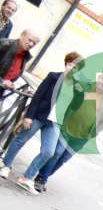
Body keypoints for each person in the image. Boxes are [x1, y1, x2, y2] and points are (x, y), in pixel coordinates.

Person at [0, 51, 81, 189]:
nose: (72, 68)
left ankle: (26, 178)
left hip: (55, 123)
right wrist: (29, 116)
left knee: (49, 152)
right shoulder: (53, 77)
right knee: (20, 140)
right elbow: (38, 96)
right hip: (39, 115)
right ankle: (5, 165)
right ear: (66, 64)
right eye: (71, 64)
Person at [28, 68, 103, 193]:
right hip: (67, 127)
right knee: (57, 153)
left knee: (63, 159)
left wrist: (95, 133)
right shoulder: (84, 86)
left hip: (82, 137)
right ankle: (41, 178)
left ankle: (43, 176)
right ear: (99, 76)